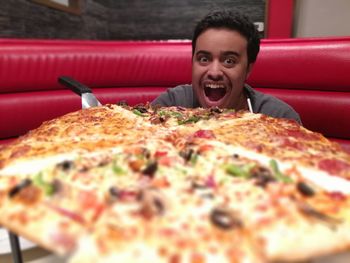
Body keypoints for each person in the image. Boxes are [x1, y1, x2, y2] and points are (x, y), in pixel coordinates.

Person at [151, 10, 301, 123]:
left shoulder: (279, 117)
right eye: (204, 59)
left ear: (248, 68)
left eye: (229, 61)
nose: (214, 72)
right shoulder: (171, 104)